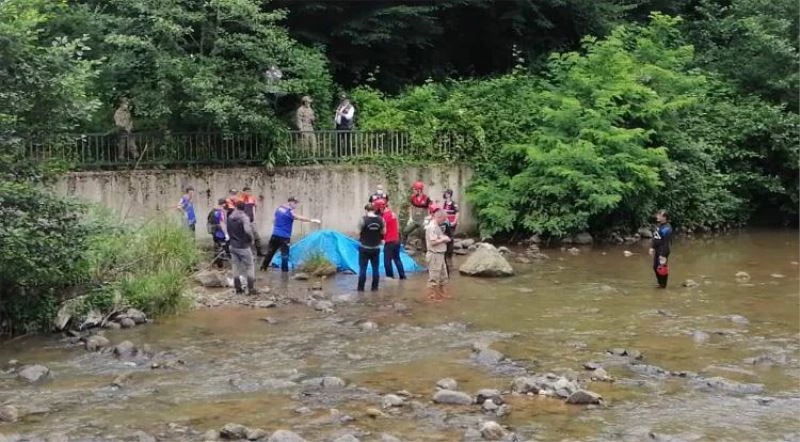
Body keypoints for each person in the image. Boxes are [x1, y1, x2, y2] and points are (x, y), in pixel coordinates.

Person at [260, 197, 321, 272]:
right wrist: (311, 220)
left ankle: (263, 268)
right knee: (285, 255)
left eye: (296, 203)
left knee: (270, 252)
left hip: (275, 235)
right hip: (284, 237)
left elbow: (274, 220)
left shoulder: (279, 208)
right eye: (295, 203)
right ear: (290, 202)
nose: (296, 205)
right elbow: (298, 217)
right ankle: (284, 273)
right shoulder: (290, 211)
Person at [227, 201, 256, 294]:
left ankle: (238, 288)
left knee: (235, 266)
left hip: (232, 245)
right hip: (243, 246)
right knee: (250, 266)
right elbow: (247, 230)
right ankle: (251, 289)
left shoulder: (230, 217)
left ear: (236, 207)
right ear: (244, 209)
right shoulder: (244, 218)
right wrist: (252, 238)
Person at [357, 203, 386, 292]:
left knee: (363, 269)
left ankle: (361, 289)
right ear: (374, 210)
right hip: (376, 248)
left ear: (366, 210)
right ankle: (374, 288)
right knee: (375, 269)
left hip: (364, 247)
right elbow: (384, 232)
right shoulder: (381, 219)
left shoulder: (363, 220)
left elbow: (358, 232)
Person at [375, 199, 405, 280]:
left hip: (390, 242)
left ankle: (390, 277)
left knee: (387, 261)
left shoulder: (384, 217)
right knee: (397, 259)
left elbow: (383, 231)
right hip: (397, 240)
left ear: (380, 208)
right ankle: (402, 276)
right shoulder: (392, 214)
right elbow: (397, 227)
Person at [425, 209, 451, 302]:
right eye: (443, 219)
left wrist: (444, 237)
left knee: (443, 276)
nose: (444, 222)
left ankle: (442, 294)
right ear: (439, 217)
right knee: (434, 277)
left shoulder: (437, 227)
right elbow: (433, 242)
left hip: (440, 254)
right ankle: (431, 297)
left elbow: (438, 238)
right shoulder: (432, 227)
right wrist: (443, 239)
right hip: (434, 255)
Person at [402, 181, 432, 251]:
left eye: (414, 189)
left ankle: (425, 250)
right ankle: (403, 246)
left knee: (423, 234)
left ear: (419, 190)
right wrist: (410, 218)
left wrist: (428, 219)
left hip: (423, 219)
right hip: (414, 219)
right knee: (405, 231)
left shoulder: (426, 198)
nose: (413, 191)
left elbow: (430, 208)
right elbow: (411, 207)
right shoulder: (413, 197)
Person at [649, 209, 673, 288]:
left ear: (665, 217)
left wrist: (663, 255)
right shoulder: (659, 225)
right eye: (658, 214)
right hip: (657, 249)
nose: (657, 216)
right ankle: (660, 283)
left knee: (661, 268)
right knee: (655, 267)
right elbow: (656, 237)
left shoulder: (667, 228)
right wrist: (652, 247)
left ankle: (663, 285)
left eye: (660, 215)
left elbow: (667, 243)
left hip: (663, 250)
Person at [240, 186, 263, 256]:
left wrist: (254, 219)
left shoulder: (252, 199)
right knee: (247, 237)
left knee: (257, 237)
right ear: (243, 192)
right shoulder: (240, 200)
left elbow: (254, 209)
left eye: (249, 191)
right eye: (247, 191)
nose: (248, 193)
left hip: (252, 221)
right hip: (244, 222)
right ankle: (248, 253)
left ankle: (259, 252)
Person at [207, 198, 229, 269]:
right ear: (224, 204)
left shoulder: (212, 211)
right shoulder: (220, 212)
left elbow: (209, 221)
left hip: (214, 232)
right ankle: (220, 265)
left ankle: (215, 262)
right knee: (221, 249)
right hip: (220, 233)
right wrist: (226, 234)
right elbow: (222, 224)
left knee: (216, 247)